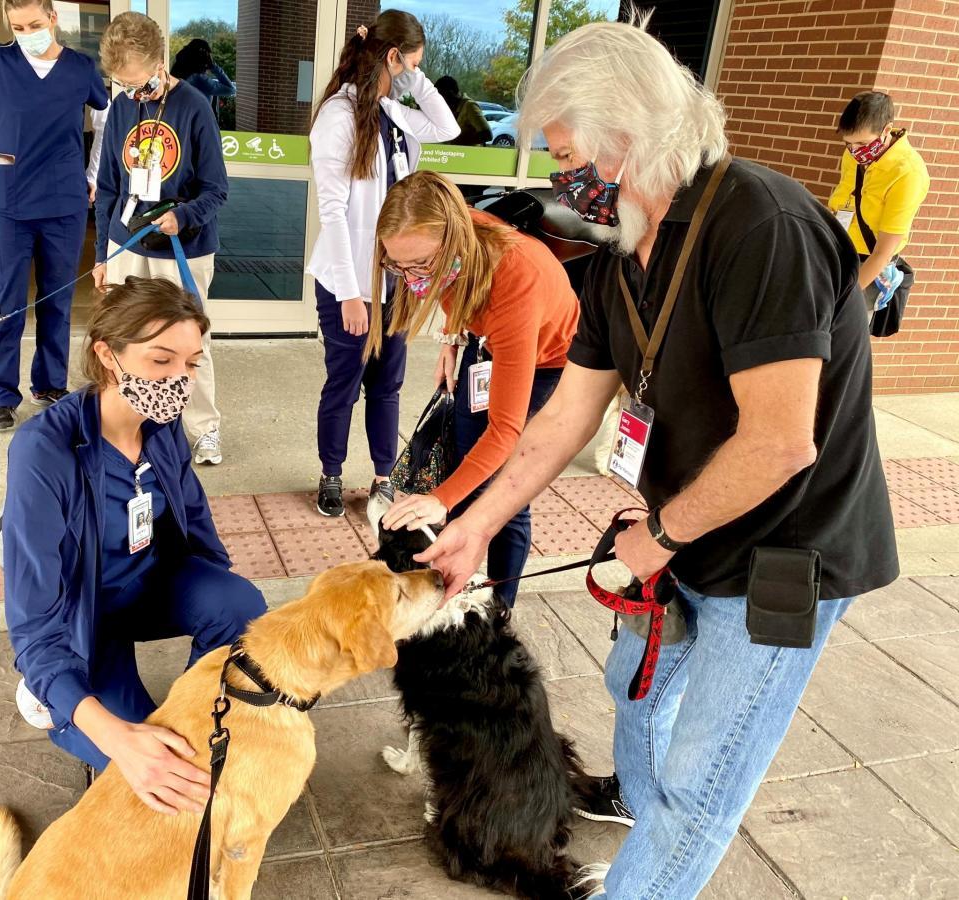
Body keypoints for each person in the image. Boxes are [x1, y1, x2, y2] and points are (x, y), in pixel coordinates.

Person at [418, 18, 897, 898]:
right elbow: (565, 417)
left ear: (626, 138)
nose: (562, 182)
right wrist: (474, 524)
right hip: (683, 532)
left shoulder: (764, 229)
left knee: (698, 793)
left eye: (566, 157)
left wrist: (664, 534)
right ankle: (638, 808)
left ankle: (655, 852)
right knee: (631, 684)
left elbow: (783, 440)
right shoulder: (621, 253)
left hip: (783, 558)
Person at [2, 276, 266, 812]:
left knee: (239, 605)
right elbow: (32, 618)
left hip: (149, 587)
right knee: (144, 762)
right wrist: (112, 732)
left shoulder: (161, 425)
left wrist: (224, 607)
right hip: (83, 619)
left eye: (190, 364)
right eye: (160, 361)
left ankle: (190, 713)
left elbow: (194, 517)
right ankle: (50, 693)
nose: (178, 380)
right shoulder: (44, 450)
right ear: (108, 355)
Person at [370, 171, 579, 607]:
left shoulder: (517, 278)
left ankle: (498, 609)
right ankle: (466, 572)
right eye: (396, 265)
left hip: (546, 359)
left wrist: (438, 499)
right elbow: (457, 289)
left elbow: (505, 430)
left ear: (455, 243)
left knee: (505, 490)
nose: (411, 280)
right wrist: (452, 337)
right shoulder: (441, 237)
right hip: (483, 342)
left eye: (421, 266)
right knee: (466, 464)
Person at [308, 10, 460, 519]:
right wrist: (351, 293)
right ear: (390, 57)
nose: (413, 74)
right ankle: (331, 473)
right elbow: (331, 210)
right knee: (343, 384)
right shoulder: (339, 115)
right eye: (409, 64)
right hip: (348, 282)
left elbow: (448, 126)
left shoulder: (394, 114)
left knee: (388, 384)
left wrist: (412, 76)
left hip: (397, 280)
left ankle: (381, 477)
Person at [0, 0, 109, 431]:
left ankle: (50, 384)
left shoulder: (80, 68)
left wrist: (92, 174)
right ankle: (0, 394)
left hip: (64, 200)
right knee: (6, 302)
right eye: (17, 26)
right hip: (9, 201)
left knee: (57, 297)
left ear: (53, 20)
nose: (26, 33)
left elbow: (105, 115)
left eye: (34, 24)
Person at [92, 12, 228, 466]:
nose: (133, 92)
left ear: (160, 61)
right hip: (126, 243)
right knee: (122, 339)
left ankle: (203, 428)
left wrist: (182, 216)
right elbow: (108, 187)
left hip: (181, 246)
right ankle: (128, 422)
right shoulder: (120, 109)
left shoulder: (194, 106)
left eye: (138, 80)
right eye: (122, 84)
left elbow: (216, 189)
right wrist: (102, 257)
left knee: (189, 342)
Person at [827, 91, 930, 319]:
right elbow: (841, 201)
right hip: (837, 252)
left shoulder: (907, 173)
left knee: (844, 340)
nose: (855, 151)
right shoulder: (853, 155)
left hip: (867, 265)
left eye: (862, 143)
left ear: (886, 130)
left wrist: (847, 298)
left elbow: (883, 252)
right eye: (848, 144)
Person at [170, 37, 236, 120]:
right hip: (199, 124)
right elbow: (230, 90)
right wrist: (213, 67)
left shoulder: (175, 75)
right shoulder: (200, 80)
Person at [435, 76, 492, 146]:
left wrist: (457, 140)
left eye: (442, 96)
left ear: (450, 93)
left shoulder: (470, 106)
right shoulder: (452, 107)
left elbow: (487, 134)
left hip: (469, 154)